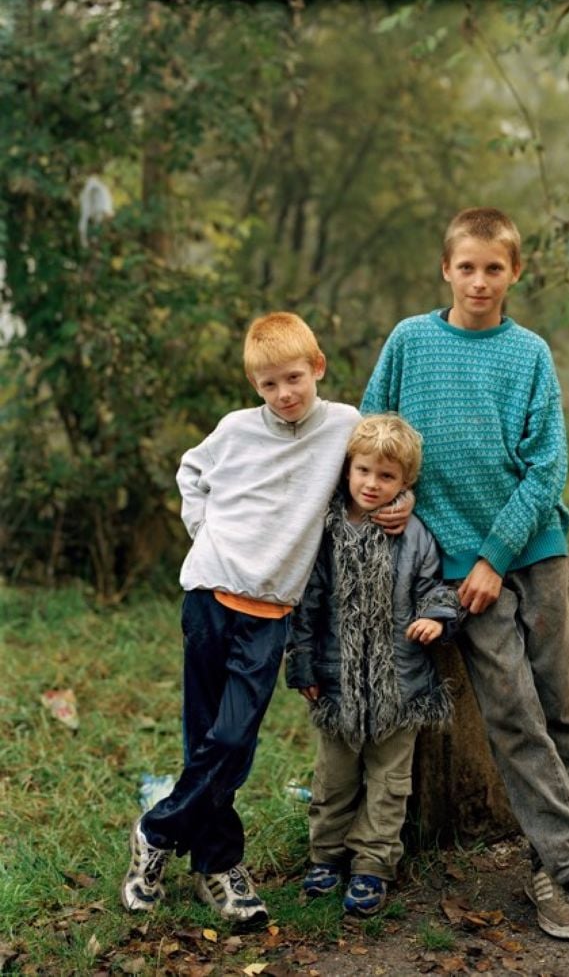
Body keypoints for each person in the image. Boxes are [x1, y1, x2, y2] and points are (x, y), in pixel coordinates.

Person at [360, 207, 569, 946]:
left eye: (495, 267)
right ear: (446, 270)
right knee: (513, 708)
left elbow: (547, 465)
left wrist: (499, 554)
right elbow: (372, 431)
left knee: (562, 708)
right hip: (455, 566)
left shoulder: (529, 354)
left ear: (514, 272)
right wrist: (398, 500)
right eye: (467, 266)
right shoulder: (410, 342)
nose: (480, 280)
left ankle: (547, 865)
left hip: (533, 550)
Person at [120, 312, 409, 923]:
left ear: (318, 368)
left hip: (272, 609)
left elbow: (377, 464)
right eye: (269, 385)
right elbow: (190, 472)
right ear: (256, 387)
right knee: (205, 735)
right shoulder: (235, 430)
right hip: (209, 594)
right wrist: (204, 532)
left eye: (294, 379)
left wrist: (400, 497)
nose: (284, 394)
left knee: (233, 741)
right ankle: (219, 869)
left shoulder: (343, 425)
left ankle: (156, 829)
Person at [285, 413, 462, 917]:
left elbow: (434, 587)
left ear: (405, 483)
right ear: (347, 470)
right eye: (363, 471)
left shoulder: (415, 536)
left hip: (401, 686)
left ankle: (372, 866)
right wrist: (304, 667)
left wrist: (435, 617)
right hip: (337, 681)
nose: (372, 484)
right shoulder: (326, 533)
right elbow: (308, 605)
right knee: (333, 778)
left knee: (389, 783)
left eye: (386, 477)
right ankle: (325, 856)